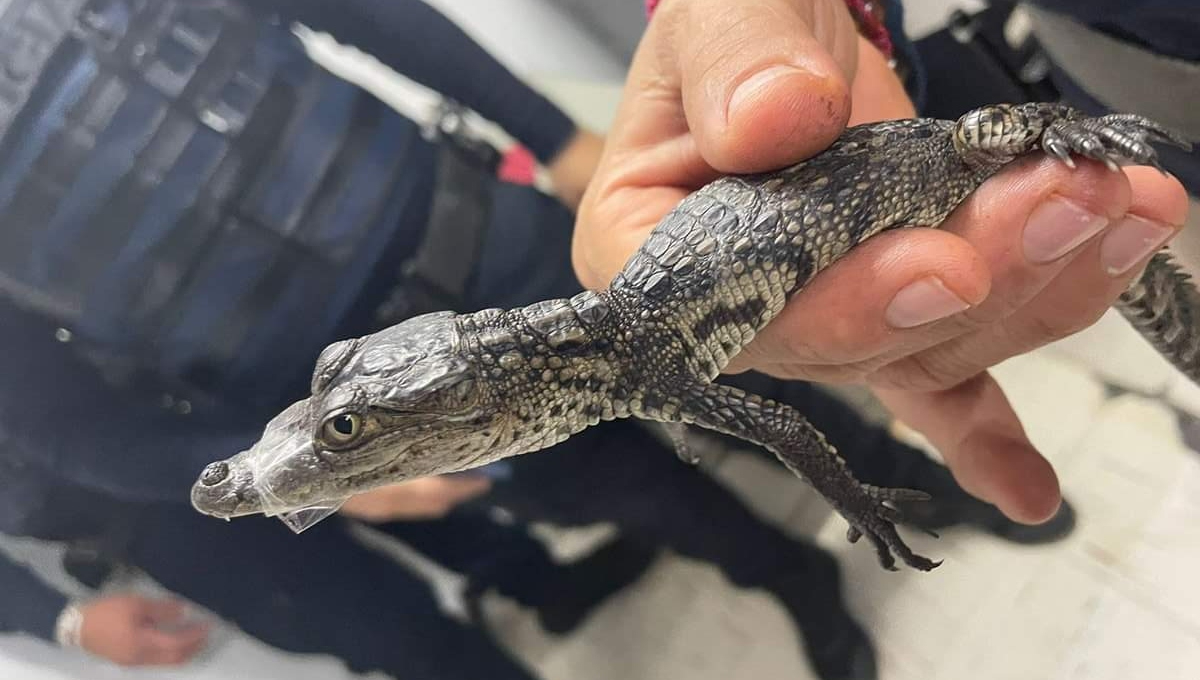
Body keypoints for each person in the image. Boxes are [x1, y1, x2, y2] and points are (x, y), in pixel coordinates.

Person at [570, 0, 1191, 531]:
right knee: (1152, 210)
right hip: (1104, 43)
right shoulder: (637, 364)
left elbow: (780, 426)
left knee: (1032, 156)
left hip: (958, 153)